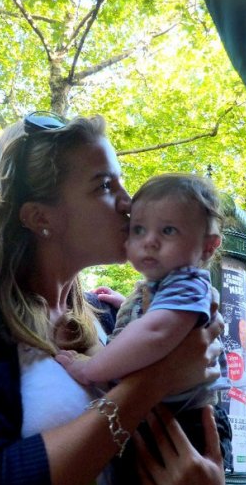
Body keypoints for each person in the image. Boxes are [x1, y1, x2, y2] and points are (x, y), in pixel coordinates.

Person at [0, 112, 230, 485]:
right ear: (41, 217)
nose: (129, 202)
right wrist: (154, 379)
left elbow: (196, 438)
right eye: (105, 186)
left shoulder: (113, 319)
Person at [57, 173, 232, 462]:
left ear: (208, 246)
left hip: (186, 423)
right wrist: (127, 306)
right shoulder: (161, 288)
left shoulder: (189, 284)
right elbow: (154, 319)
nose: (149, 241)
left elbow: (156, 332)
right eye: (138, 229)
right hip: (166, 416)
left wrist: (89, 369)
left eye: (168, 230)